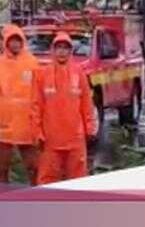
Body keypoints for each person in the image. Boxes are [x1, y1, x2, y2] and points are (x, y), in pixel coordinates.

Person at [34, 32, 98, 185]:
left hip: (75, 138)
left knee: (78, 179)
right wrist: (37, 131)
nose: (62, 51)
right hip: (51, 139)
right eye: (59, 48)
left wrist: (90, 128)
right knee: (48, 179)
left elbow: (86, 104)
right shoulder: (43, 74)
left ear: (70, 51)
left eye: (65, 48)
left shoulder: (79, 73)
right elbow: (36, 105)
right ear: (53, 50)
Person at [0, 24, 41, 184]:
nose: (15, 44)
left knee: (33, 165)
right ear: (6, 43)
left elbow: (38, 93)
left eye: (18, 40)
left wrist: (37, 118)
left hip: (27, 123)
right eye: (12, 40)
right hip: (5, 123)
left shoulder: (32, 63)